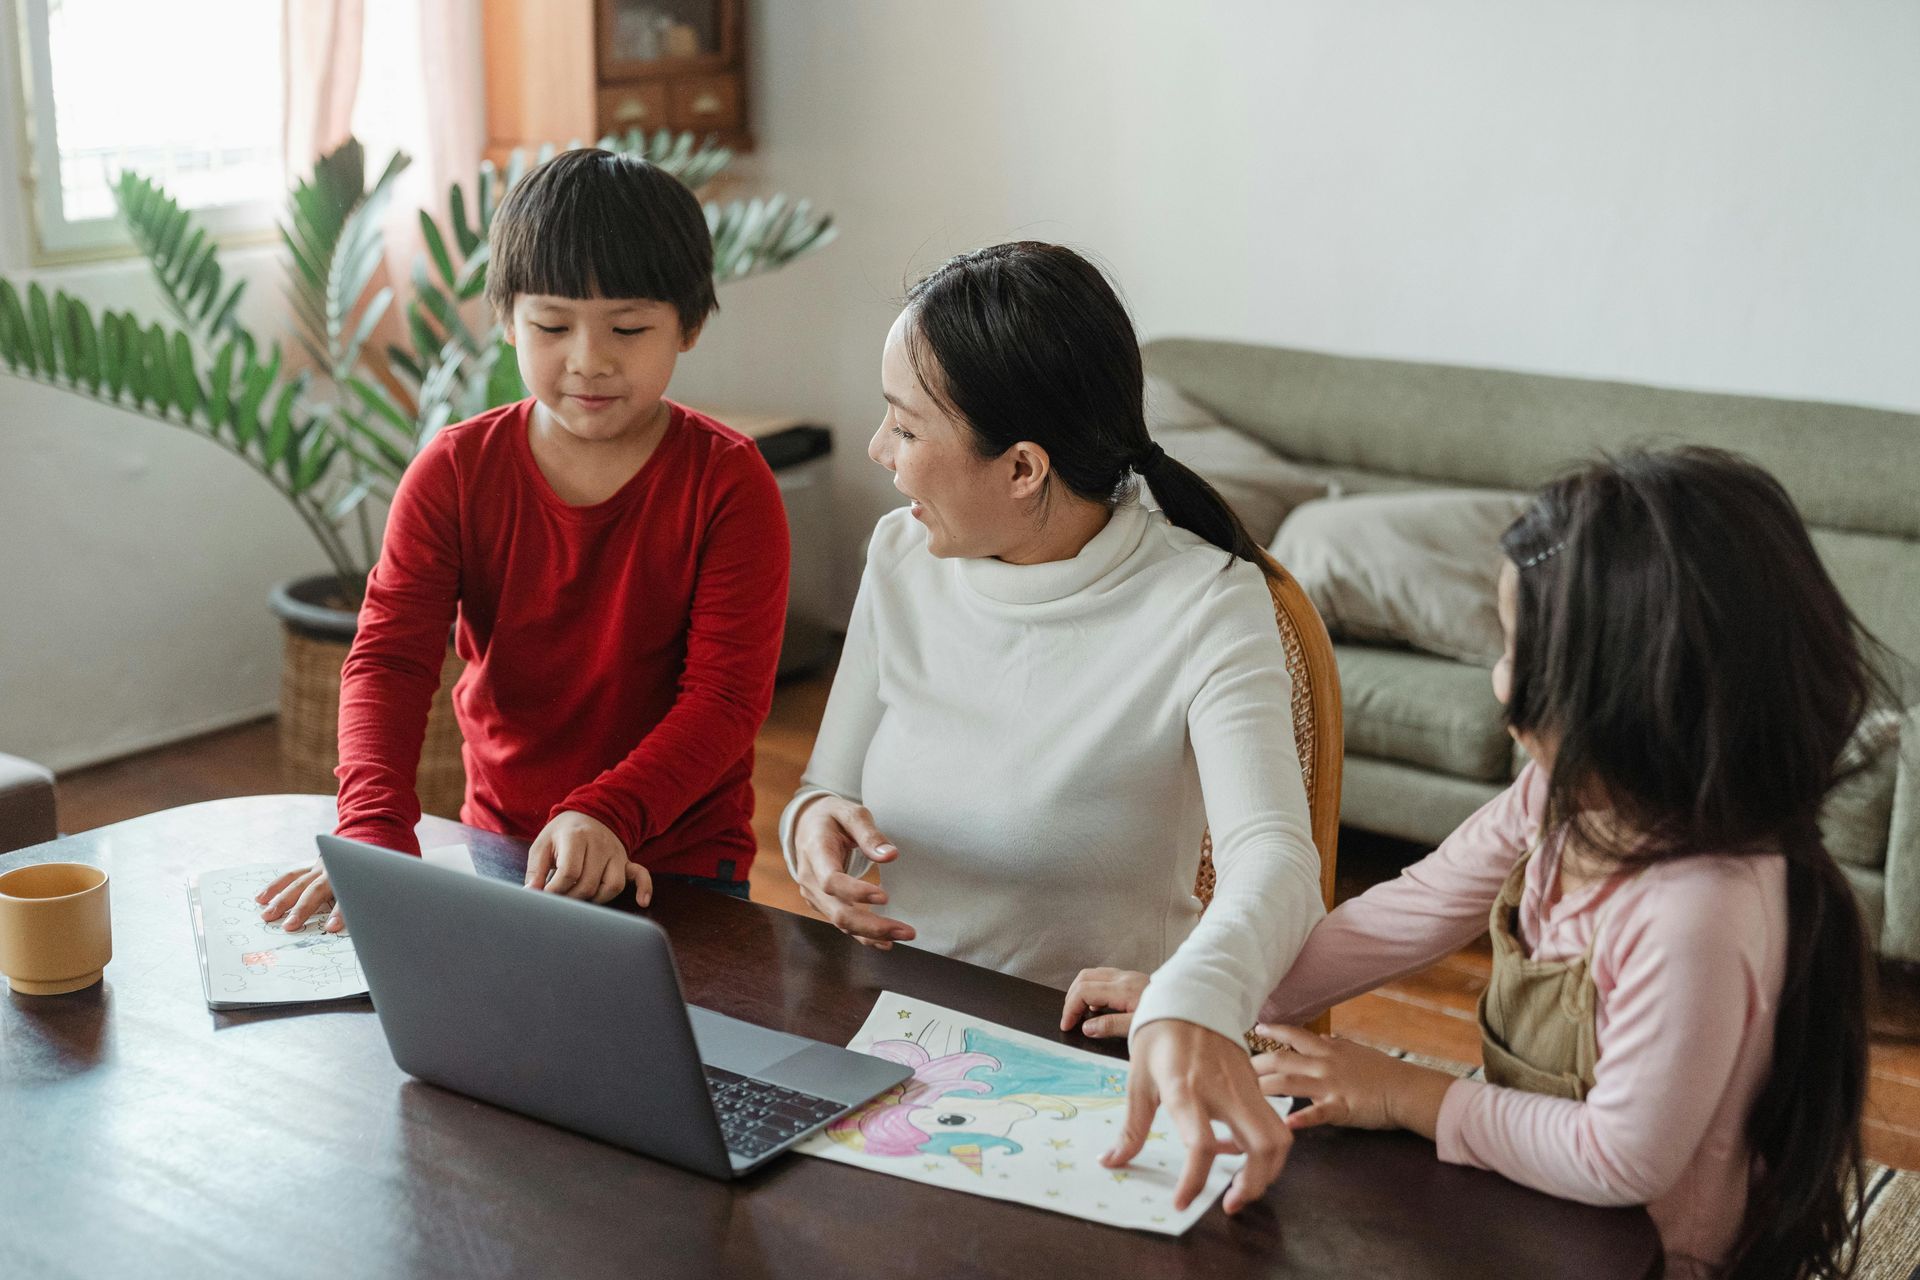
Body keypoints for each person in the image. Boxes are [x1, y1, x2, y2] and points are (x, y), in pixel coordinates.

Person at [1066, 447, 1884, 1277]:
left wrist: (1409, 1093)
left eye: (1519, 654)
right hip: (1535, 1200)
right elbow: (1410, 910)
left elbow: (1618, 1160)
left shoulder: (1700, 908)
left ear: (1632, 697)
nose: (1499, 683)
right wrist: (1204, 993)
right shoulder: (1563, 799)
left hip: (1648, 1253)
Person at [783, 241, 1325, 1214]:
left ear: (1024, 465)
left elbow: (1277, 862)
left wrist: (1195, 997)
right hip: (889, 1033)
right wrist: (814, 834)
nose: (877, 450)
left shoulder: (1206, 601)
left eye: (904, 426)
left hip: (1088, 1055)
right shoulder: (901, 553)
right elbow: (826, 785)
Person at [261, 148, 790, 930]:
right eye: (551, 324)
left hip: (676, 859)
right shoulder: (452, 472)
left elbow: (724, 700)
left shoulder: (730, 483)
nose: (589, 359)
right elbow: (391, 658)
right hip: (506, 845)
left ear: (691, 325)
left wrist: (609, 814)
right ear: (507, 319)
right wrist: (371, 831)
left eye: (629, 326)